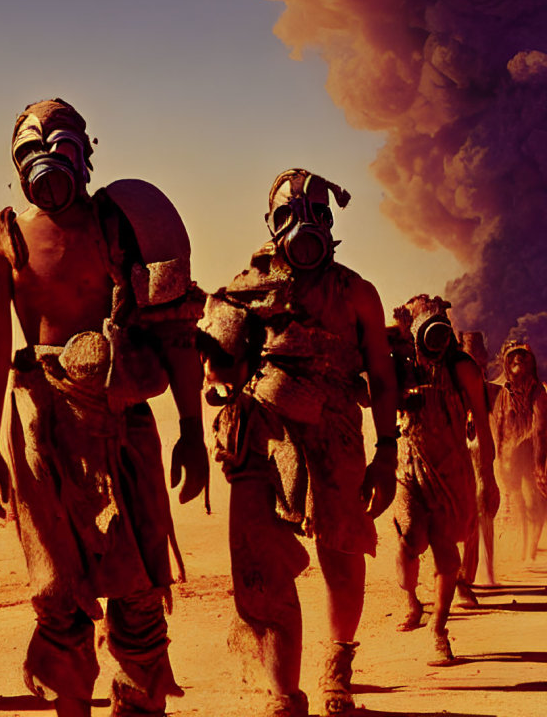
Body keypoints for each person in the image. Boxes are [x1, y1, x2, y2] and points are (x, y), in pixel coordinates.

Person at [0, 98, 208, 717]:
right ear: (15, 163)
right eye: (31, 150)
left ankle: (139, 704)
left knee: (138, 592)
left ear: (85, 154)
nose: (48, 160)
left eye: (63, 146)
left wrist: (190, 429)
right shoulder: (0, 237)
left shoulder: (127, 225)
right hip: (41, 432)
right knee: (57, 596)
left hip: (122, 423)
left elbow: (174, 330)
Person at [198, 168, 398, 717]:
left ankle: (338, 666)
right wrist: (223, 390)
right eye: (287, 216)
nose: (301, 226)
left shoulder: (357, 293)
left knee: (342, 551)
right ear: (271, 225)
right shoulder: (249, 287)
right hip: (268, 435)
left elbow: (381, 377)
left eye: (314, 214)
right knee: (260, 557)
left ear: (330, 223)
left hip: (337, 436)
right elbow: (215, 367)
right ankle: (282, 687)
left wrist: (387, 451)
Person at [387, 296, 497, 664]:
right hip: (409, 466)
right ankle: (411, 600)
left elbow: (481, 425)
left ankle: (438, 631)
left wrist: (489, 478)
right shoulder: (402, 364)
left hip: (452, 471)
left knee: (447, 556)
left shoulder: (462, 368)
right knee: (407, 541)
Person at [491, 340, 547, 563]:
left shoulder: (538, 392)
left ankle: (530, 552)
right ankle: (524, 551)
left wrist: (539, 464)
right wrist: (501, 459)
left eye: (522, 357)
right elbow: (500, 426)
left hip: (535, 454)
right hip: (511, 457)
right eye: (513, 357)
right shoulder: (504, 392)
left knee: (533, 502)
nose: (518, 361)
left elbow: (541, 430)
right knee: (518, 504)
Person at [456, 331, 501, 597]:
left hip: (481, 462)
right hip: (458, 459)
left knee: (481, 512)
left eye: (480, 362)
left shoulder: (493, 393)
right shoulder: (451, 390)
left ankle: (472, 575)